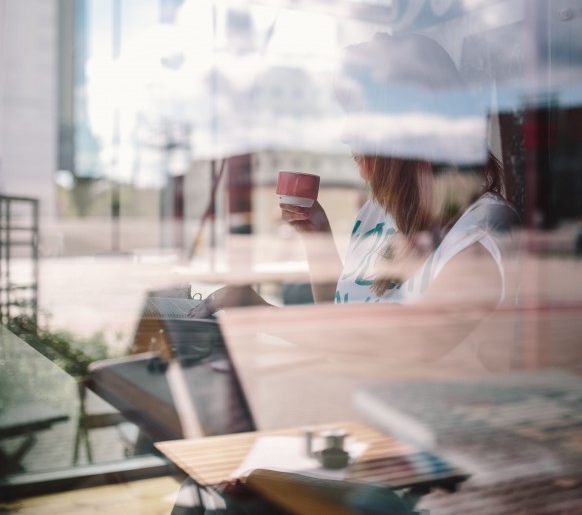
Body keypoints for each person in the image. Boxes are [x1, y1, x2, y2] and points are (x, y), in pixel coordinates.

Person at [188, 32, 519, 318]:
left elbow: (407, 345)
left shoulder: (484, 229)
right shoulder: (378, 213)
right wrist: (316, 239)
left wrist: (259, 312)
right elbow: (338, 316)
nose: (346, 134)